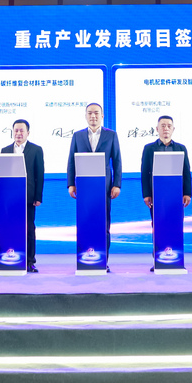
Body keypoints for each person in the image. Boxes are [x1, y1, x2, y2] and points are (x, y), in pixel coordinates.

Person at [67, 103, 122, 270]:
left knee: (103, 225)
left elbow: (117, 161)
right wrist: (71, 184)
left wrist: (117, 184)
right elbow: (71, 161)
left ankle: (103, 261)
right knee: (85, 223)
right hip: (83, 188)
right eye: (90, 113)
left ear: (102, 116)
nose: (93, 116)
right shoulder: (77, 136)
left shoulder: (111, 135)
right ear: (85, 116)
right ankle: (84, 259)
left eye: (96, 113)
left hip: (104, 188)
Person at [141, 115, 192, 272]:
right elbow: (144, 172)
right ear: (157, 129)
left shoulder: (181, 148)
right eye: (162, 126)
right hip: (157, 196)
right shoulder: (149, 149)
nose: (166, 128)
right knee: (158, 227)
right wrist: (146, 194)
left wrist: (187, 193)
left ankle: (176, 259)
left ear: (173, 129)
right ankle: (158, 260)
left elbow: (186, 172)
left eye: (169, 126)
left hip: (175, 196)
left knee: (176, 226)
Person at [1, 118, 44, 273]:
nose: (18, 133)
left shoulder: (36, 150)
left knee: (29, 229)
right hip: (10, 198)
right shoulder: (5, 150)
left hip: (28, 197)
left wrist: (38, 196)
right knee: (11, 228)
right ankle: (11, 258)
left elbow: (39, 174)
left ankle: (30, 261)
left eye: (21, 130)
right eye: (16, 130)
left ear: (28, 132)